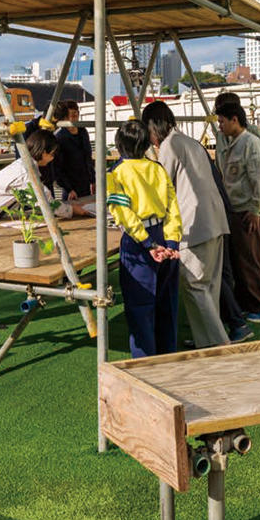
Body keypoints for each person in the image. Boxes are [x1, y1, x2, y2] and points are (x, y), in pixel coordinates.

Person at [0, 129, 89, 337]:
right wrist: (72, 210)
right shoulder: (26, 172)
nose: (52, 159)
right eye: (51, 153)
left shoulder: (26, 166)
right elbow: (46, 202)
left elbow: (42, 195)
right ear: (42, 152)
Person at [142, 101, 230, 348]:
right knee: (208, 286)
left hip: (195, 225)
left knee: (194, 285)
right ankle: (206, 340)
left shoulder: (170, 145)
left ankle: (219, 344)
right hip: (214, 220)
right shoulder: (189, 141)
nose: (150, 140)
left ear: (154, 126)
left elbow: (162, 187)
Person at [106, 118, 183, 357]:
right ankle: (167, 354)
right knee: (166, 303)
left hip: (138, 241)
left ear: (119, 143)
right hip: (163, 232)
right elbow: (173, 207)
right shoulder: (157, 168)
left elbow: (124, 214)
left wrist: (148, 244)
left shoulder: (116, 173)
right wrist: (171, 243)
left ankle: (145, 361)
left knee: (140, 306)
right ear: (146, 143)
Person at [215, 101, 260, 323]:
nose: (219, 126)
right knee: (241, 261)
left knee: (250, 261)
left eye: (222, 121)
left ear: (234, 119)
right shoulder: (232, 142)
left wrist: (255, 210)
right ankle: (248, 304)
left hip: (247, 212)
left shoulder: (250, 142)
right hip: (236, 211)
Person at [49, 100, 94, 199]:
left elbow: (88, 158)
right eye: (69, 116)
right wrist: (69, 189)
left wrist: (93, 180)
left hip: (86, 184)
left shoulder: (83, 131)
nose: (72, 118)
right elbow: (58, 168)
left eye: (75, 115)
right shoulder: (60, 137)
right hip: (70, 188)